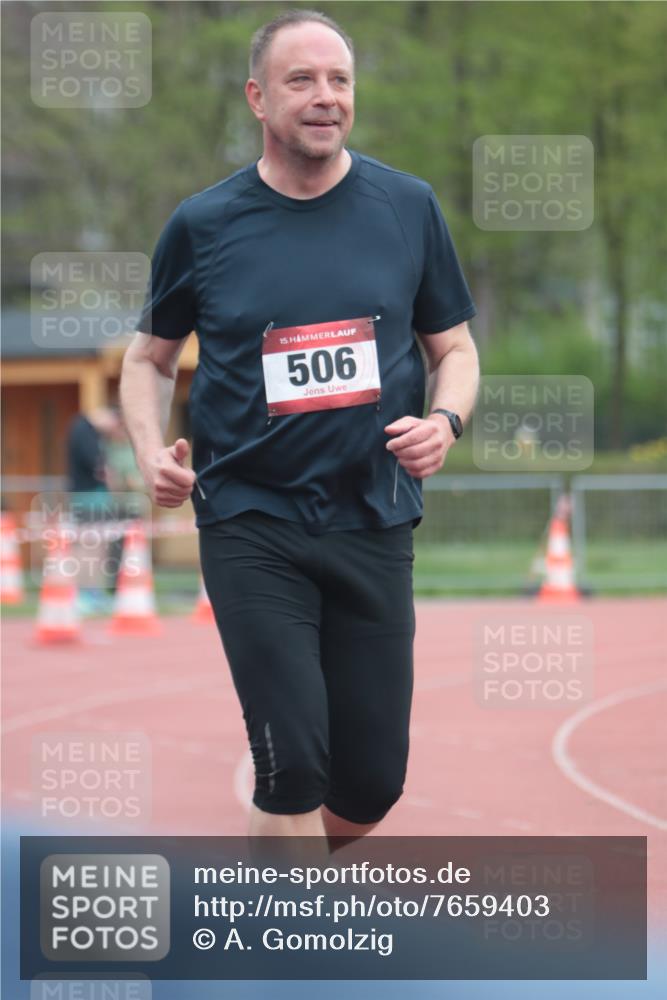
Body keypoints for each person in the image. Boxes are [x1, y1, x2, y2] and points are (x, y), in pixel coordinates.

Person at [120, 9, 479, 852]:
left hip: (373, 516)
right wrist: (147, 453)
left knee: (370, 784)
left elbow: (454, 348)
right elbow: (148, 359)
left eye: (339, 81)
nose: (325, 98)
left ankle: (270, 874)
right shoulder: (204, 225)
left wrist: (445, 420)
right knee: (291, 768)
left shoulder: (406, 206)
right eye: (301, 80)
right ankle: (284, 942)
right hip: (251, 517)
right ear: (257, 96)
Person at [65, 407, 122, 615]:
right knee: (91, 547)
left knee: (93, 546)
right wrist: (112, 480)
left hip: (89, 496)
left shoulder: (86, 431)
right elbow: (98, 467)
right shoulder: (84, 431)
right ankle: (87, 594)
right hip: (89, 497)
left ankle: (91, 593)